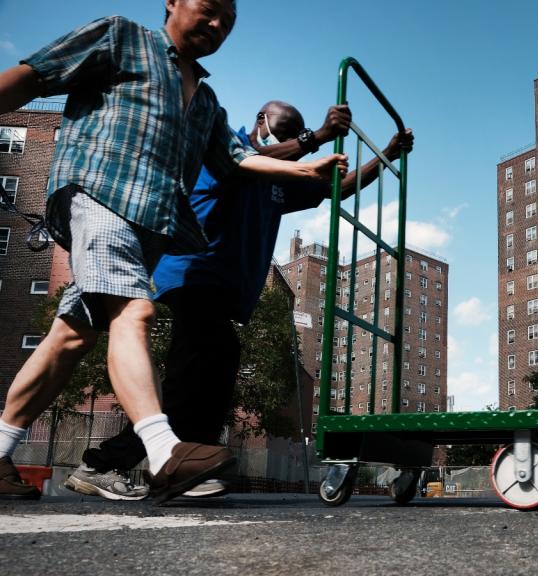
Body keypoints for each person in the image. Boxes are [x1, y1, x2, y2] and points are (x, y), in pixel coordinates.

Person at [0, 0, 348, 503]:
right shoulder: (121, 38)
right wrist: (311, 143)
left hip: (148, 228)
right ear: (173, 3)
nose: (215, 25)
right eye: (208, 10)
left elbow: (239, 160)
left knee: (69, 338)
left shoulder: (206, 103)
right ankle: (164, 451)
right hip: (98, 195)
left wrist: (308, 167)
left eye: (227, 22)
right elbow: (34, 76)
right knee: (133, 310)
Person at [64, 100, 413, 500]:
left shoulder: (279, 179)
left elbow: (337, 189)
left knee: (216, 367)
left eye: (294, 137)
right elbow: (247, 159)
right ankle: (104, 463)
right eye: (283, 133)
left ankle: (191, 461)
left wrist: (386, 154)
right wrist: (316, 136)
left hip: (223, 287)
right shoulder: (230, 148)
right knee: (192, 372)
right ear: (261, 122)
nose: (290, 143)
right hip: (191, 272)